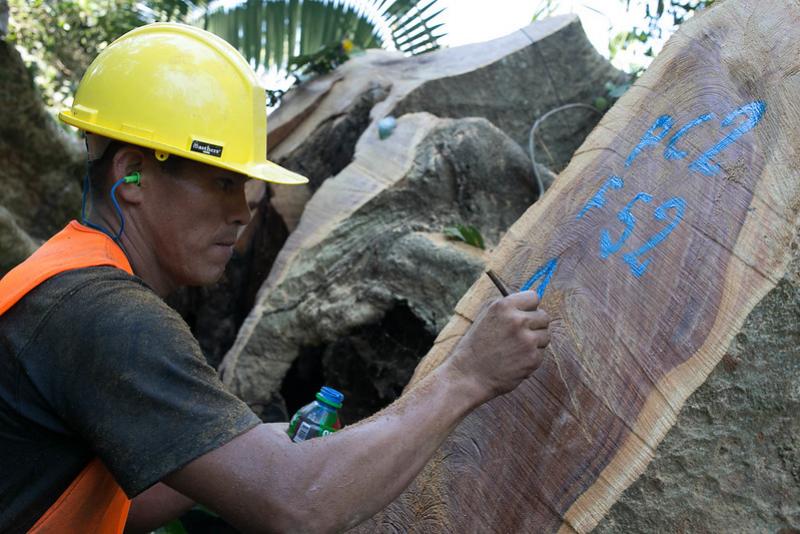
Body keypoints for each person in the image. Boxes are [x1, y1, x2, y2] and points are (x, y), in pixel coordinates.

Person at [0, 22, 551, 533]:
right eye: (221, 183)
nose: (243, 212)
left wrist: (245, 445)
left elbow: (109, 501)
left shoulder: (64, 276)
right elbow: (299, 503)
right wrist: (468, 377)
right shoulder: (106, 315)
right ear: (132, 174)